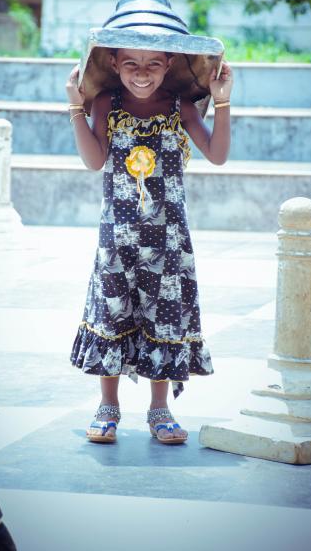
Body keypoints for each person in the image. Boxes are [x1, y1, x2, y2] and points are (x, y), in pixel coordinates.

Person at [66, 47, 233, 444]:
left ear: (170, 65)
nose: (142, 74)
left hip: (169, 237)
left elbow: (218, 154)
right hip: (117, 235)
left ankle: (160, 409)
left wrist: (222, 101)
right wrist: (75, 109)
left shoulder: (181, 108)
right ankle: (108, 405)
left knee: (165, 314)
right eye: (131, 64)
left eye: (153, 64)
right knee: (112, 311)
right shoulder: (107, 103)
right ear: (113, 64)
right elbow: (94, 161)